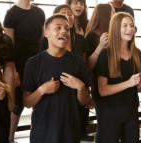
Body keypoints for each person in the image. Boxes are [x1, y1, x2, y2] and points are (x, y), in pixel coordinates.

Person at [22, 14, 90, 143]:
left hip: (70, 132)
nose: (64, 31)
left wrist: (80, 87)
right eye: (58, 28)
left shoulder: (78, 62)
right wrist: (42, 90)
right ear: (46, 33)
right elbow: (27, 102)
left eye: (67, 28)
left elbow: (85, 101)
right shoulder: (33, 63)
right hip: (43, 133)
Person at [95, 12, 141, 143]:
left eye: (131, 25)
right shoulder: (105, 54)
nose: (129, 29)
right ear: (115, 28)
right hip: (109, 112)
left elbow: (137, 87)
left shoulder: (137, 53)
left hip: (130, 110)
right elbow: (102, 90)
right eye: (125, 25)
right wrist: (129, 83)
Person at [3, 0, 45, 142]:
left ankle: (36, 135)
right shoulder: (12, 13)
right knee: (17, 105)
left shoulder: (39, 12)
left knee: (38, 101)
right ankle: (9, 138)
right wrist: (13, 70)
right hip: (19, 65)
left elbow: (41, 41)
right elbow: (9, 44)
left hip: (37, 64)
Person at [85, 3, 115, 70]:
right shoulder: (91, 36)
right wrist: (101, 45)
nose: (115, 15)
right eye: (113, 12)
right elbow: (88, 66)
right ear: (105, 15)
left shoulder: (113, 34)